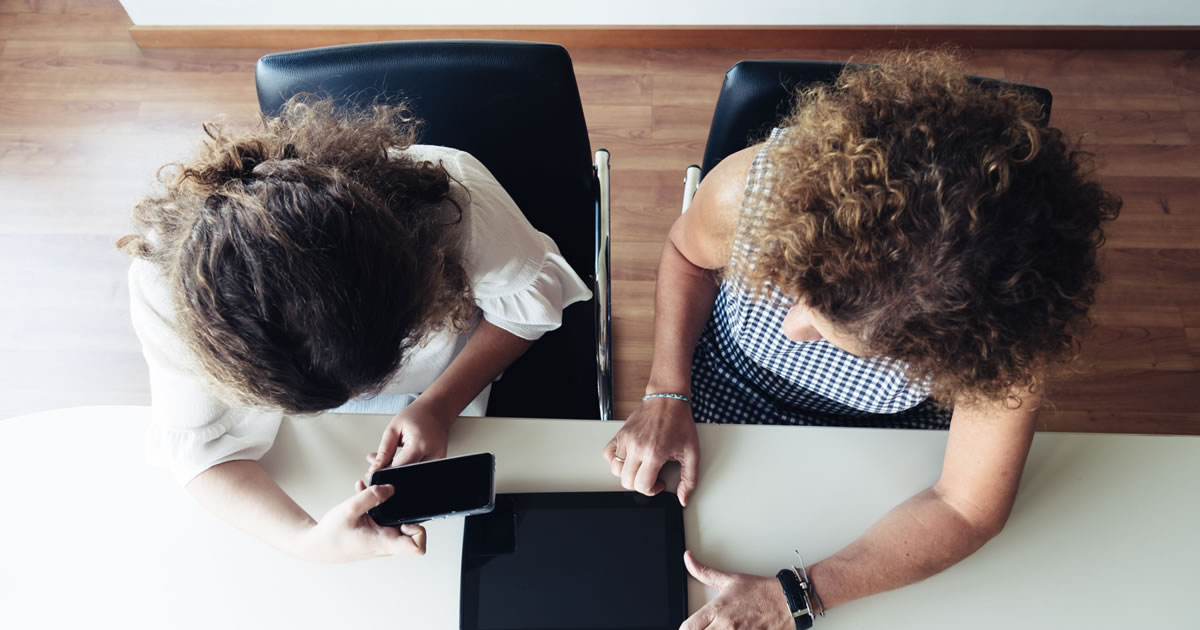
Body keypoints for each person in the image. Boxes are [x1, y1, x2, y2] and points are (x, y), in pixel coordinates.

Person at [602, 51, 1120, 628]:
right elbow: (686, 256)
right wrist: (667, 390)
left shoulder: (1001, 330)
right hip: (724, 388)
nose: (790, 329)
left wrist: (796, 595)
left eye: (829, 331)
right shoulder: (756, 192)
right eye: (798, 296)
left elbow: (965, 507)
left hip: (884, 437)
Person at [120, 98, 591, 563]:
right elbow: (199, 452)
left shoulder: (455, 207)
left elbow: (528, 307)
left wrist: (439, 403)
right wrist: (305, 541)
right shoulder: (167, 287)